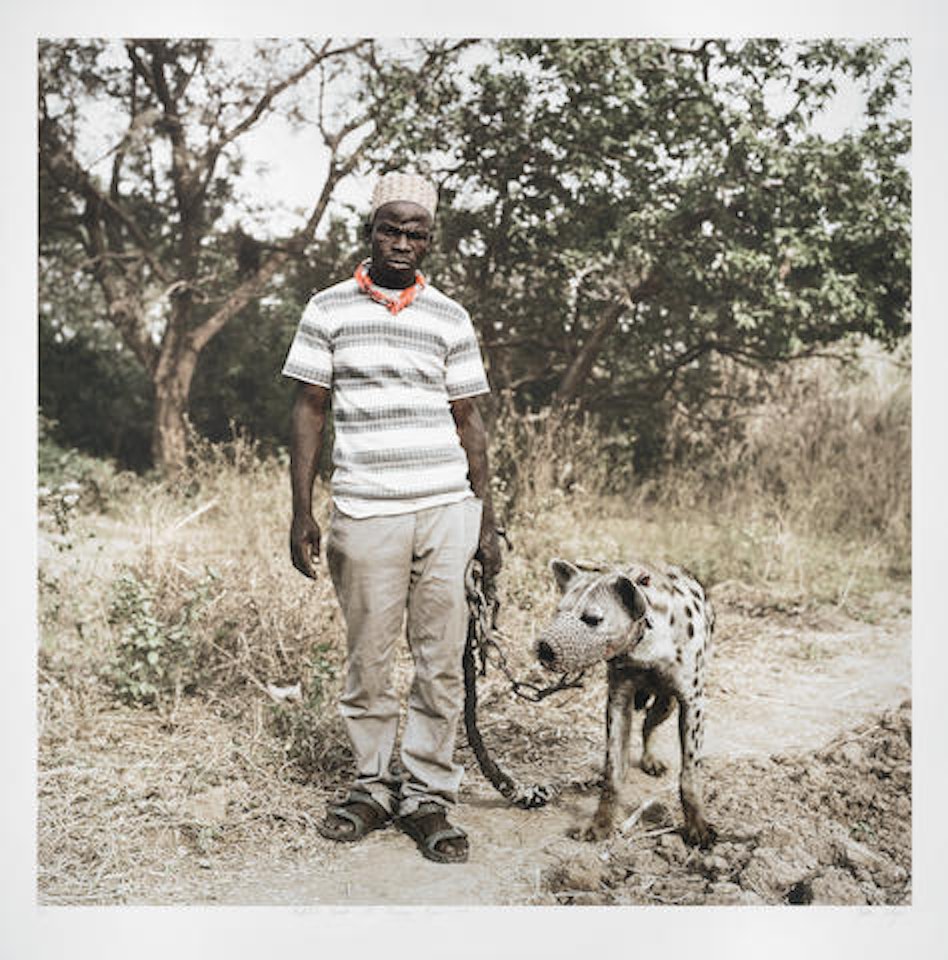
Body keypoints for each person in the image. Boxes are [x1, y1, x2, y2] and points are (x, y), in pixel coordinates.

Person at [282, 171, 502, 864]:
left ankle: (429, 797)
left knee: (440, 663)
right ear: (369, 230)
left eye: (416, 233)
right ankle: (373, 787)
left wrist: (487, 522)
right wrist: (301, 509)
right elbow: (309, 409)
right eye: (390, 229)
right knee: (369, 662)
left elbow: (469, 420)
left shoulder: (450, 317)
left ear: (429, 240)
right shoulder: (327, 308)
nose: (402, 243)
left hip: (445, 510)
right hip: (366, 510)